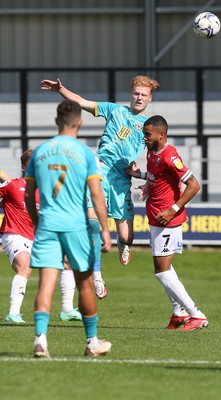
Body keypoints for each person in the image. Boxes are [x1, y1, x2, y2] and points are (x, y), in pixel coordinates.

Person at [41, 75, 159, 268]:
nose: (139, 98)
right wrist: (60, 90)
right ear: (131, 94)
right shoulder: (114, 110)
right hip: (101, 170)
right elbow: (80, 102)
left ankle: (123, 244)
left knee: (127, 236)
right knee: (92, 224)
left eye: (143, 95)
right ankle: (94, 274)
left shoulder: (149, 125)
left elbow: (155, 156)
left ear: (150, 98)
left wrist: (145, 177)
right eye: (136, 93)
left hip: (123, 178)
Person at [25, 100, 112, 358]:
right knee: (84, 284)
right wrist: (106, 229)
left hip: (48, 224)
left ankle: (40, 340)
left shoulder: (40, 151)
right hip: (75, 226)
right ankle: (91, 342)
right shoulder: (86, 154)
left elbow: (29, 194)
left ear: (56, 122)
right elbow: (96, 195)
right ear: (80, 122)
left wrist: (35, 220)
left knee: (45, 285)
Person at [126, 115, 208, 331]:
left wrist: (173, 209)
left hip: (168, 221)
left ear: (161, 135)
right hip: (156, 218)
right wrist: (139, 175)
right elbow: (157, 176)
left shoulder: (171, 156)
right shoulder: (153, 152)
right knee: (163, 268)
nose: (144, 138)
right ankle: (178, 313)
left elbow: (193, 185)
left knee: (162, 271)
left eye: (147, 134)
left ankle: (196, 314)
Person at [0, 155, 82, 323]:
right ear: (24, 167)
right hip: (14, 234)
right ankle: (13, 313)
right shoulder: (13, 185)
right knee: (25, 265)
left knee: (67, 260)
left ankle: (67, 310)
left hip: (37, 237)